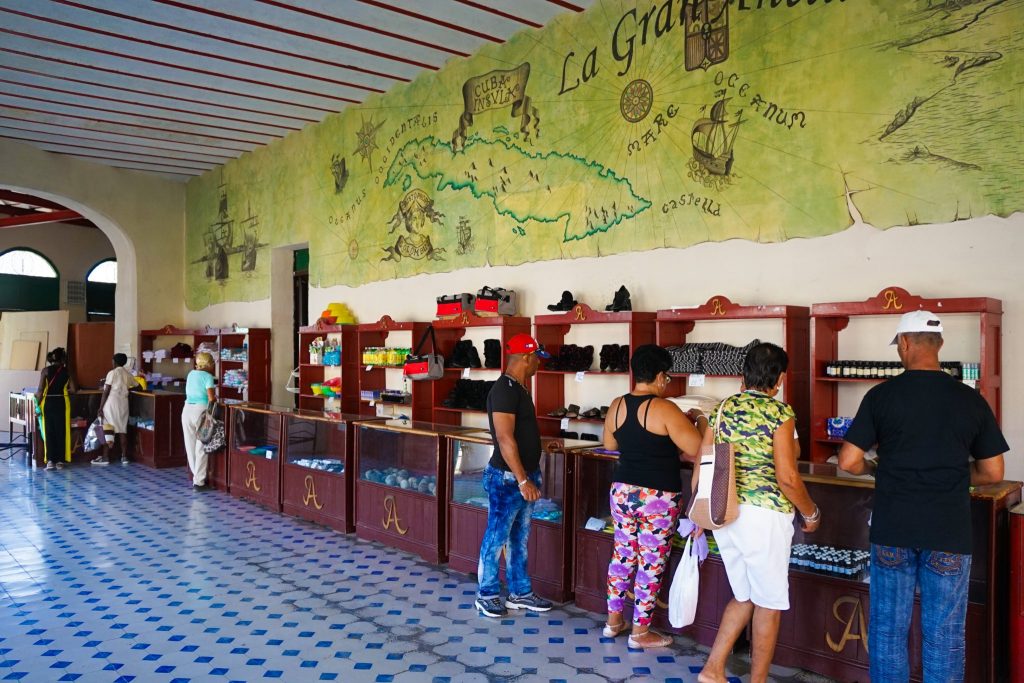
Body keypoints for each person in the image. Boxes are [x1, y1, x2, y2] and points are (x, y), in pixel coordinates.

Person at [838, 310, 1006, 682]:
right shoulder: (970, 399)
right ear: (940, 345)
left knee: (887, 633)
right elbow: (994, 472)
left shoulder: (881, 396)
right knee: (944, 638)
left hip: (893, 529)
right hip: (948, 531)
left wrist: (875, 468)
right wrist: (958, 477)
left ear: (904, 343)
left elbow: (849, 461)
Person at [698, 342, 819, 683]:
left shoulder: (721, 408)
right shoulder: (780, 413)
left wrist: (699, 511)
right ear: (780, 378)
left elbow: (703, 459)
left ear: (743, 374)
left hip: (725, 513)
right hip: (764, 517)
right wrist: (810, 513)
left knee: (746, 594)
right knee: (769, 602)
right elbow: (787, 476)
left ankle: (713, 669)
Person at [601, 344, 707, 648]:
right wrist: (698, 419)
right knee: (651, 561)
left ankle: (612, 623)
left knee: (622, 556)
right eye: (668, 378)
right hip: (657, 497)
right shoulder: (665, 408)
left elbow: (610, 443)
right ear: (661, 376)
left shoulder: (616, 405)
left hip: (622, 492)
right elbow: (694, 447)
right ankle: (640, 632)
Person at [475, 333, 553, 618]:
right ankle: (486, 594)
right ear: (526, 357)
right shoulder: (505, 390)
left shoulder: (519, 388)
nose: (538, 365)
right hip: (507, 479)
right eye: (537, 360)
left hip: (523, 476)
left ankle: (520, 592)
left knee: (519, 538)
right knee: (496, 538)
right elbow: (505, 438)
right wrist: (522, 480)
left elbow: (520, 434)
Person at [92, 353, 139, 465]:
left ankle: (105, 457)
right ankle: (124, 457)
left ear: (115, 361)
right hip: (123, 403)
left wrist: (100, 407)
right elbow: (138, 386)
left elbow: (106, 391)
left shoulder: (112, 373)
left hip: (111, 403)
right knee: (122, 430)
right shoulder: (128, 374)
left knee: (108, 429)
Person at [36, 347, 78, 470]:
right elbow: (74, 390)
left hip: (48, 403)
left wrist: (37, 406)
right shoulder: (67, 371)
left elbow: (40, 391)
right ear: (63, 358)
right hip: (62, 403)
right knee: (62, 431)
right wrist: (64, 390)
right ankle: (60, 461)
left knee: (49, 431)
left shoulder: (45, 371)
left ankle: (50, 461)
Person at [181, 351, 217, 491]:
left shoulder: (191, 374)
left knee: (190, 445)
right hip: (201, 411)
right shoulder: (208, 376)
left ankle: (196, 476)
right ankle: (199, 482)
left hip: (187, 410)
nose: (213, 366)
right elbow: (211, 398)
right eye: (212, 363)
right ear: (208, 364)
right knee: (201, 446)